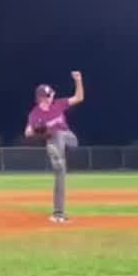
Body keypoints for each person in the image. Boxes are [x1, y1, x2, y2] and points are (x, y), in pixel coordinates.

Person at [24, 71, 83, 224]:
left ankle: (55, 153)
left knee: (57, 134)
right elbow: (28, 132)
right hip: (57, 145)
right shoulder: (35, 114)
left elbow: (79, 98)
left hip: (69, 139)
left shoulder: (58, 104)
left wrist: (78, 80)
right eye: (49, 95)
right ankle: (58, 214)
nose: (52, 97)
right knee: (60, 176)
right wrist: (37, 130)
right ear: (42, 97)